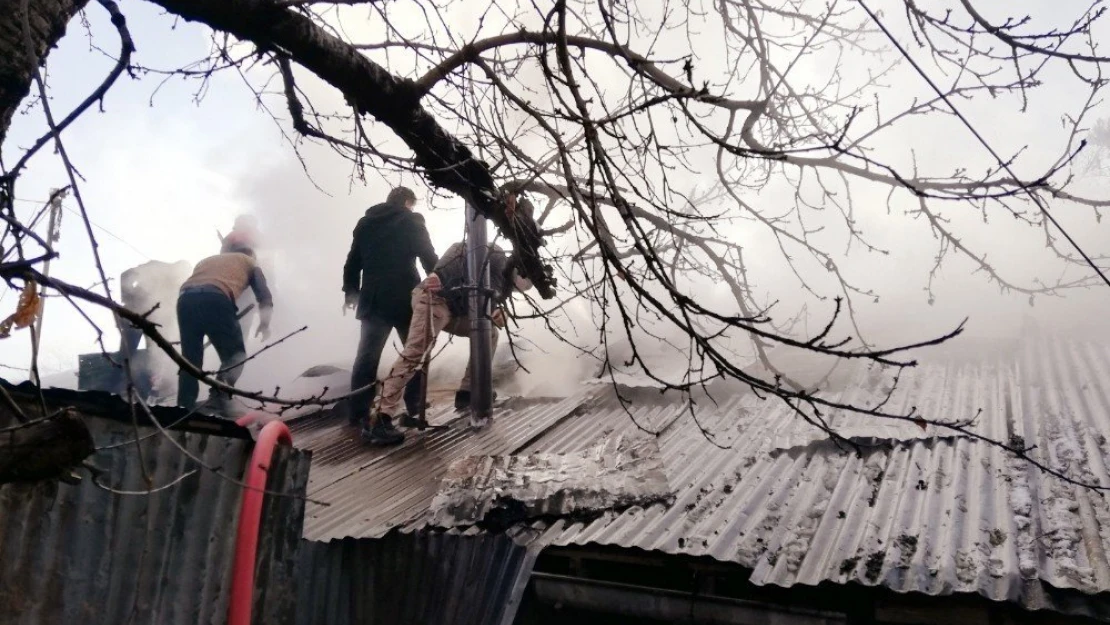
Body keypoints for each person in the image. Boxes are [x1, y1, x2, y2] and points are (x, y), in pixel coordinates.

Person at [364, 198, 535, 446]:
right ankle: (379, 416)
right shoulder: (493, 256)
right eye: (521, 287)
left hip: (459, 310)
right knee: (416, 351)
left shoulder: (508, 278)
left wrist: (496, 311)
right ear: (517, 272)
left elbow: (492, 300)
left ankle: (468, 392)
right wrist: (437, 275)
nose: (517, 291)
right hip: (434, 299)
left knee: (489, 334)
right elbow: (451, 265)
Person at [343, 186, 438, 426]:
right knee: (415, 351)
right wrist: (439, 280)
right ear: (407, 201)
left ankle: (358, 412)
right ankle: (414, 404)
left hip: (373, 299)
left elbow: (353, 262)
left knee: (366, 357)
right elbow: (427, 255)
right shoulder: (412, 220)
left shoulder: (365, 223)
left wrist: (351, 293)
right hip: (405, 297)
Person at [176, 241, 273, 416]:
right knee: (236, 355)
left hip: (185, 300)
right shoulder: (250, 261)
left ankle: (183, 407)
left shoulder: (207, 261)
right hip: (216, 298)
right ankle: (218, 398)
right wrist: (264, 324)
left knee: (190, 360)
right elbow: (264, 295)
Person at [114, 260, 192, 397]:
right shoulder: (155, 266)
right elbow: (126, 274)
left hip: (151, 320)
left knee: (154, 352)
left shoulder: (174, 287)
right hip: (133, 314)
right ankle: (121, 387)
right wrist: (127, 296)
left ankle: (149, 387)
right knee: (127, 351)